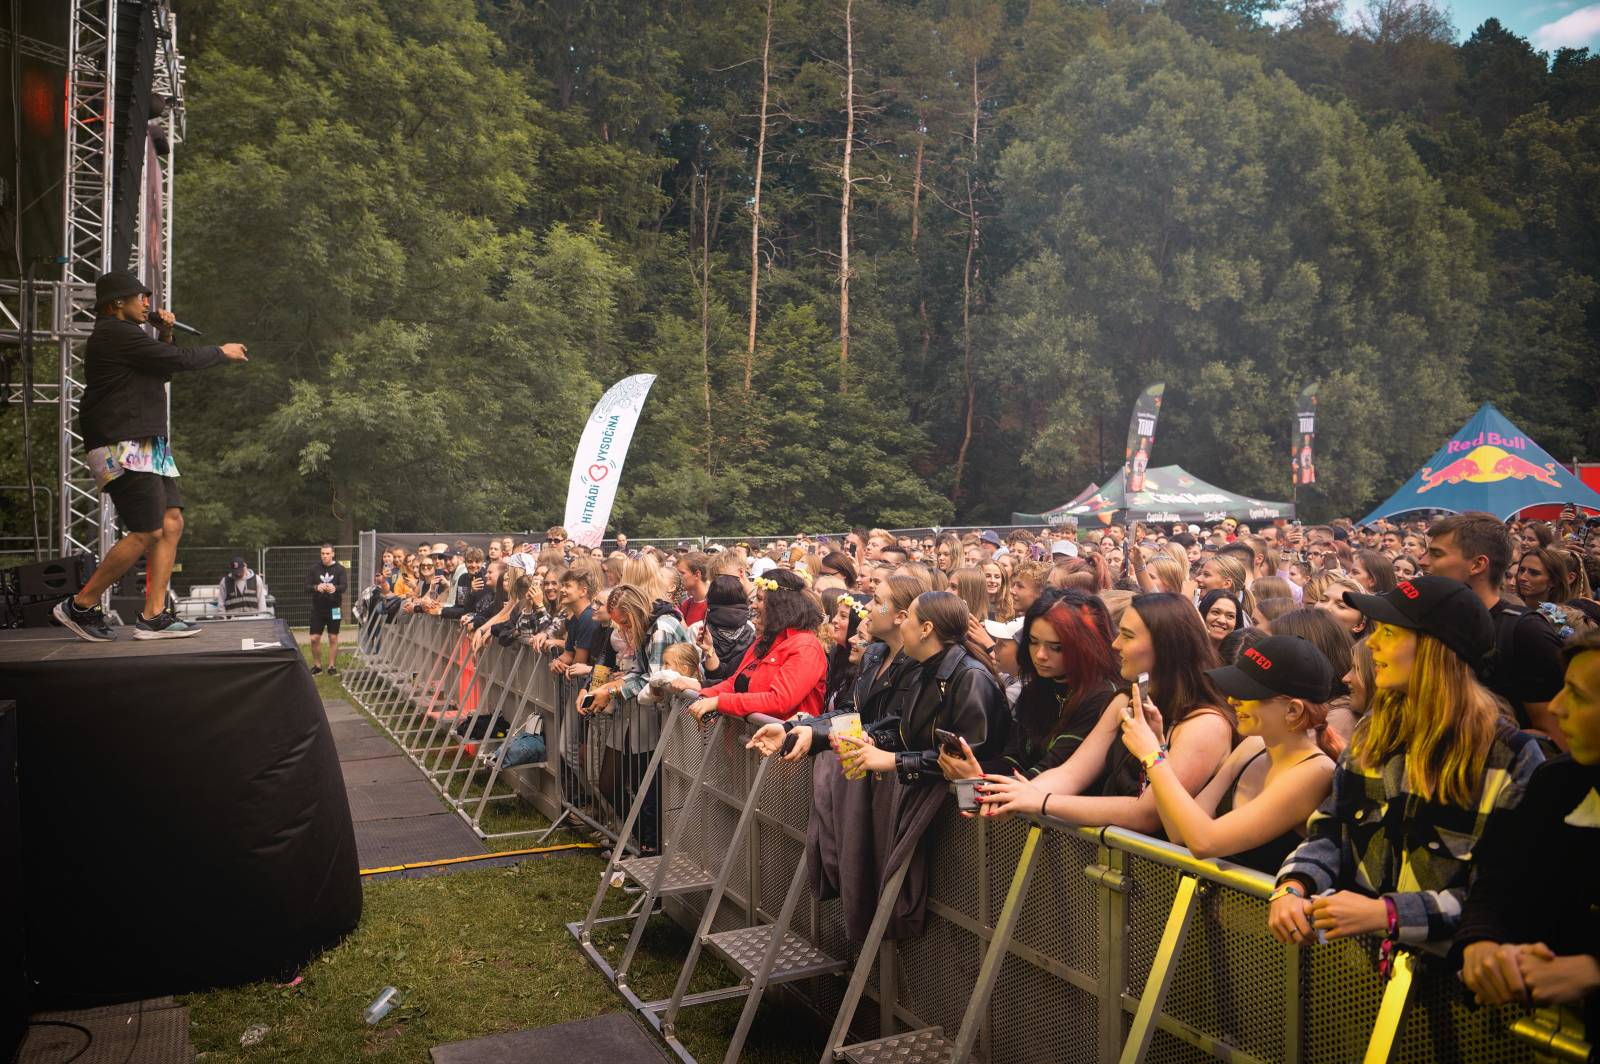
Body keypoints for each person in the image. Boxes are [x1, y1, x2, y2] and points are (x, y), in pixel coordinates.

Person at [1267, 576, 1545, 957]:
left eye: (1391, 633)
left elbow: (1501, 895)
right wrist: (1294, 884)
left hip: (1452, 993)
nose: (1372, 644)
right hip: (1358, 970)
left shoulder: (1510, 756)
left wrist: (1388, 912)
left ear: (1436, 651)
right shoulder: (1373, 732)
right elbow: (1331, 828)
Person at [53, 270, 249, 641]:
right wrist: (220, 352)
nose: (147, 303)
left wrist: (166, 333)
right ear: (116, 304)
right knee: (146, 530)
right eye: (139, 297)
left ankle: (154, 616)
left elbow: (162, 367)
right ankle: (79, 605)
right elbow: (178, 360)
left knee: (171, 522)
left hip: (146, 443)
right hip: (121, 444)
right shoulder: (114, 334)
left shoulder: (129, 338)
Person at [976, 593, 1235, 834]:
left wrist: (1041, 801)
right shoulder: (1126, 699)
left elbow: (1148, 812)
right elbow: (1072, 772)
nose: (1115, 644)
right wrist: (1013, 794)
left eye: (1128, 635)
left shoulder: (1205, 723)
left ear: (1166, 646)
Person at [1456, 630, 1600, 1029]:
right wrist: (1481, 942)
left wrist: (1592, 971)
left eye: (1579, 695)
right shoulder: (1556, 783)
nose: (1556, 707)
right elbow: (1498, 879)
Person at [1120, 634, 1340, 873]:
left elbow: (1205, 842)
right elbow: (1178, 832)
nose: (1232, 699)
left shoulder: (1314, 772)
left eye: (1247, 692)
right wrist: (1159, 746)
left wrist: (1153, 757)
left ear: (1293, 710)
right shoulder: (1253, 746)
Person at [832, 591, 1010, 784]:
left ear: (925, 629)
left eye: (908, 617)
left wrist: (895, 761)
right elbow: (903, 726)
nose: (902, 625)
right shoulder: (924, 668)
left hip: (955, 804)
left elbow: (964, 759)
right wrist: (874, 740)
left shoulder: (970, 678)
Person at [942, 589, 1120, 780]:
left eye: (1056, 647)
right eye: (1033, 642)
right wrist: (970, 767)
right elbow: (1016, 758)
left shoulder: (1101, 697)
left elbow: (1053, 772)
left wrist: (979, 777)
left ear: (1085, 645)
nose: (1040, 654)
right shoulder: (1036, 687)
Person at [1424, 512, 1565, 742]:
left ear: (1478, 564)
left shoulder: (1525, 633)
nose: (1423, 561)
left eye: (1436, 554)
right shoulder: (1434, 625)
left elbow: (1557, 739)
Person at [687, 569, 827, 721]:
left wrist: (720, 702)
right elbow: (734, 683)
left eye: (759, 599)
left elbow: (779, 700)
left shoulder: (806, 646)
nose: (753, 605)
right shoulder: (765, 640)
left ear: (779, 605)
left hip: (784, 741)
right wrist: (705, 697)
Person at [692, 574, 758, 684]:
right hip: (739, 693)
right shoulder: (752, 629)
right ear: (742, 597)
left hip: (702, 693)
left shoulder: (698, 630)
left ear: (710, 598)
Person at [306, 544, 348, 675]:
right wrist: (315, 587)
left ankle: (331, 666)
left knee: (333, 637)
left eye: (327, 553)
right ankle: (317, 666)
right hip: (317, 609)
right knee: (314, 638)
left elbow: (344, 586)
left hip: (334, 608)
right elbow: (306, 587)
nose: (325, 556)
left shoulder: (340, 569)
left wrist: (335, 588)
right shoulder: (314, 568)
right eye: (323, 553)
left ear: (333, 554)